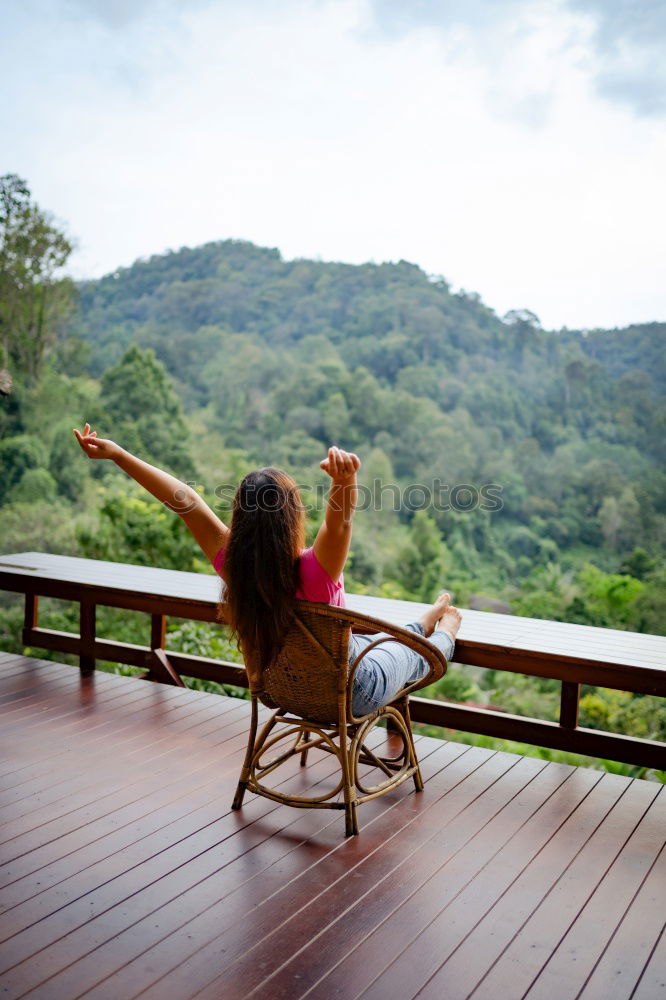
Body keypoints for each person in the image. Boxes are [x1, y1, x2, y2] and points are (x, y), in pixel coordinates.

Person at [73, 424, 462, 715]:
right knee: (417, 651)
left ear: (241, 517)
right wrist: (346, 480)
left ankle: (418, 623)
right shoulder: (315, 571)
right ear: (292, 517)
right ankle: (443, 628)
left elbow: (184, 500)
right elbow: (340, 524)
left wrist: (118, 455)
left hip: (283, 690)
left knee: (384, 641)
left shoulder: (234, 567)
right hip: (349, 692)